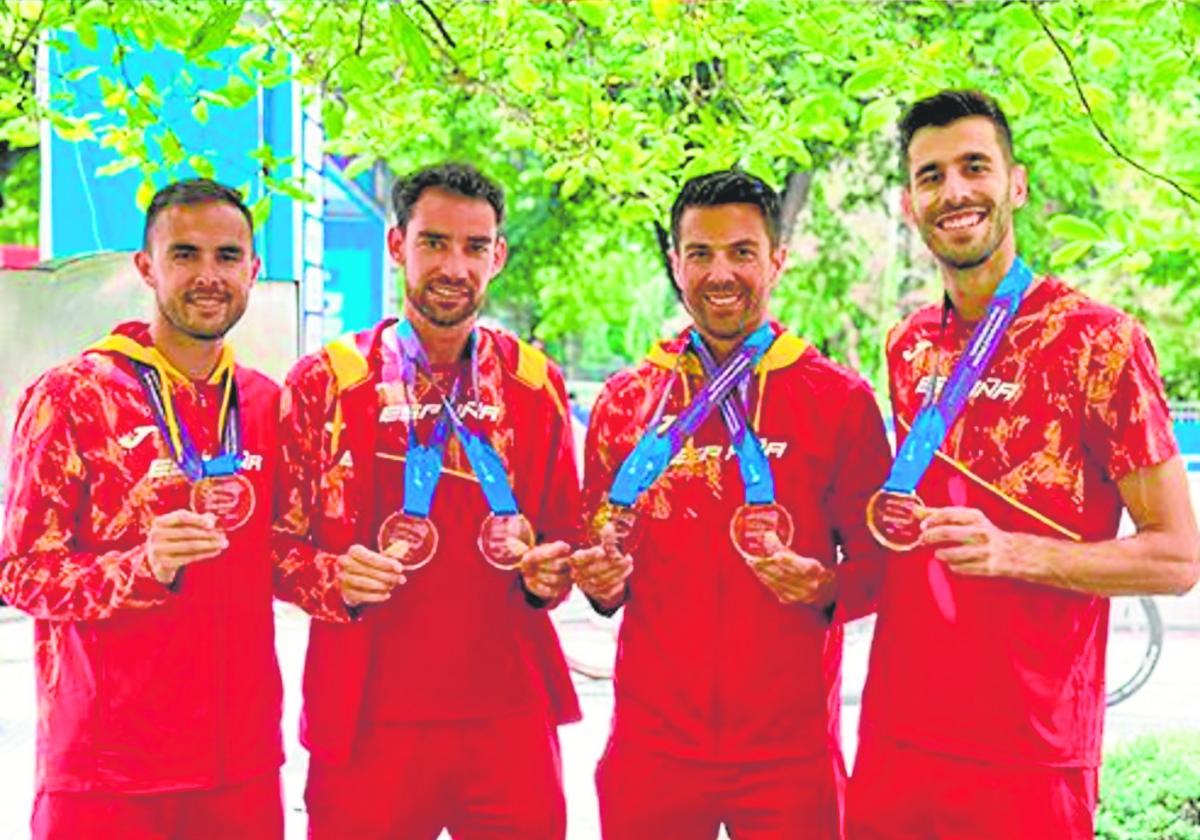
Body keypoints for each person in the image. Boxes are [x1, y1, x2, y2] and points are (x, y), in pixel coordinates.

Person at [846, 89, 1200, 839]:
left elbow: (1176, 557)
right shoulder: (907, 346)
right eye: (930, 175)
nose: (954, 191)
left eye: (975, 166)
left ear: (1017, 184)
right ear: (911, 204)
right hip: (897, 732)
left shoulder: (1102, 343)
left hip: (1030, 748)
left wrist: (1013, 551)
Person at [572, 169, 891, 839]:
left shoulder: (839, 401)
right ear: (675, 262)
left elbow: (881, 567)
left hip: (790, 753)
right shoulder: (628, 402)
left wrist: (827, 585)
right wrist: (601, 584)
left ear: (777, 258)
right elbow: (599, 554)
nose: (721, 273)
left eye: (742, 252)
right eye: (701, 253)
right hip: (652, 747)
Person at [273, 162, 582, 839]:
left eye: (474, 247)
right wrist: (332, 576)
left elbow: (564, 543)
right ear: (396, 246)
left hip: (508, 717)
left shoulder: (534, 385)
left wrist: (547, 573)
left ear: (497, 255)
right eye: (434, 242)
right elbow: (274, 546)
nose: (454, 265)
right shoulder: (326, 382)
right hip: (366, 717)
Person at [0, 179, 284, 839]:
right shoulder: (71, 396)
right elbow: (22, 573)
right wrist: (140, 565)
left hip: (240, 770)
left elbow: (289, 554)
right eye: (185, 254)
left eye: (227, 256)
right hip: (106, 773)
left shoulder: (266, 403)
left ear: (253, 270)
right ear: (146, 266)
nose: (208, 275)